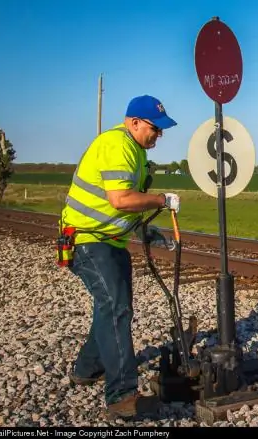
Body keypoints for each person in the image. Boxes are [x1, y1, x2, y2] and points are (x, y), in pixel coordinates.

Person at [58, 95, 180, 419]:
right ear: (135, 122)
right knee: (115, 306)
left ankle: (86, 369)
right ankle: (122, 396)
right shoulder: (117, 144)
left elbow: (123, 208)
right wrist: (161, 200)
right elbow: (121, 199)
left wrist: (148, 233)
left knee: (112, 306)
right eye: (155, 129)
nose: (159, 136)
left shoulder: (137, 152)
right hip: (87, 241)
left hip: (109, 241)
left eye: (162, 131)